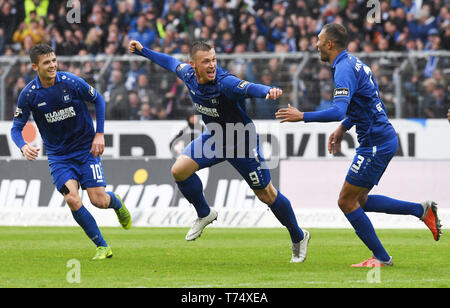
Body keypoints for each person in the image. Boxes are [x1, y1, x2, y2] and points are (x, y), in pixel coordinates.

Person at [129, 39, 310, 263]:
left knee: (267, 195)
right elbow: (169, 62)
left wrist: (268, 91)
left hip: (241, 142)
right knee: (179, 170)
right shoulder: (187, 74)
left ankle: (298, 236)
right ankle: (204, 213)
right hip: (215, 137)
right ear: (193, 65)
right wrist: (143, 51)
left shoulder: (225, 83)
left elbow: (247, 87)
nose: (212, 65)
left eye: (214, 59)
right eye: (206, 61)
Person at [275, 23, 441, 267]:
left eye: (319, 39)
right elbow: (363, 101)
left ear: (329, 44)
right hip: (379, 139)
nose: (316, 44)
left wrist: (303, 116)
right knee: (359, 200)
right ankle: (421, 210)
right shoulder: (354, 63)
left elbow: (338, 110)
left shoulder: (343, 69)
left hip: (376, 142)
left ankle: (382, 258)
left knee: (346, 201)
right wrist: (344, 127)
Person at [10, 43, 132, 260]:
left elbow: (99, 100)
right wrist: (23, 145)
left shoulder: (71, 82)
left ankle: (116, 203)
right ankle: (102, 246)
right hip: (59, 157)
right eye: (47, 62)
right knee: (73, 200)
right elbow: (16, 128)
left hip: (86, 150)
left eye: (54, 60)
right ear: (34, 67)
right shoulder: (28, 95)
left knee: (99, 200)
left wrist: (100, 134)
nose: (52, 65)